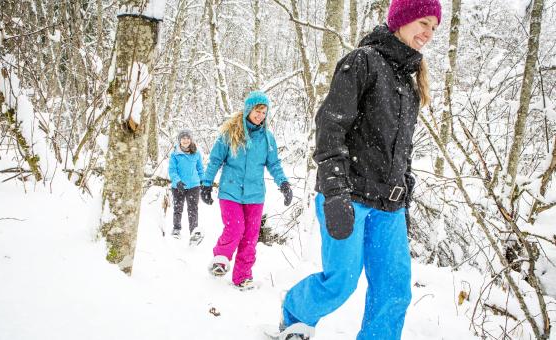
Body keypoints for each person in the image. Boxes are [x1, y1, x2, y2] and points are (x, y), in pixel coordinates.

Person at [276, 0, 441, 339]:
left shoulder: (410, 84)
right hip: (349, 195)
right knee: (341, 281)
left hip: (389, 206)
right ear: (402, 18)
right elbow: (330, 128)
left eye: (434, 28)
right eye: (423, 22)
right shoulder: (363, 62)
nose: (428, 33)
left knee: (394, 289)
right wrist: (335, 193)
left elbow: (401, 149)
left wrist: (404, 192)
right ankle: (295, 313)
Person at [200, 91, 293, 291]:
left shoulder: (267, 138)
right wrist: (206, 183)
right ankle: (221, 259)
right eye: (257, 111)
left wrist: (284, 184)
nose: (260, 116)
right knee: (235, 228)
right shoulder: (231, 133)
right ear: (248, 110)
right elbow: (216, 159)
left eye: (263, 112)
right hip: (230, 191)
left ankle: (242, 277)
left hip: (255, 194)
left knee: (250, 236)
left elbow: (274, 164)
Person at [168, 129, 204, 245]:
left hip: (194, 186)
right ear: (179, 140)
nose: (185, 140)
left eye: (187, 138)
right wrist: (177, 181)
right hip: (178, 186)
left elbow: (200, 169)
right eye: (183, 138)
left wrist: (203, 181)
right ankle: (176, 229)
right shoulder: (175, 154)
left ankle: (194, 232)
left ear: (191, 139)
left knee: (193, 209)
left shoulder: (196, 153)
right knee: (178, 208)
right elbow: (172, 170)